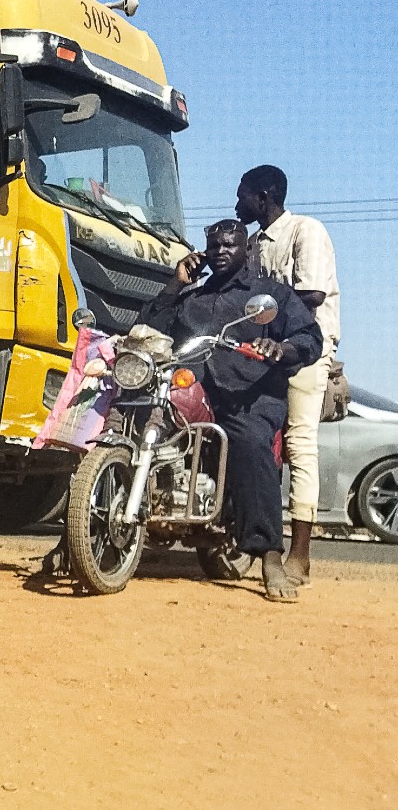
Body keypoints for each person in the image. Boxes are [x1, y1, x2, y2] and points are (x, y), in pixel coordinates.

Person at [138, 219, 321, 601]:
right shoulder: (194, 298)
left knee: (253, 445)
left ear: (246, 250)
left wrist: (280, 349)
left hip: (248, 395)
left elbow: (309, 338)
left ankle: (270, 556)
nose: (221, 251)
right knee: (131, 414)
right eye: (214, 246)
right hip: (194, 391)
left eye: (230, 245)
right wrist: (177, 282)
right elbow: (147, 328)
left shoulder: (270, 295)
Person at [236, 164, 341, 588]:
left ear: (263, 196)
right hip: (266, 353)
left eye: (241, 194)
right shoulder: (256, 243)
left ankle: (300, 553)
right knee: (257, 440)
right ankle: (258, 541)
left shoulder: (305, 231)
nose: (237, 203)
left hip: (304, 350)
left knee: (298, 443)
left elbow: (312, 294)